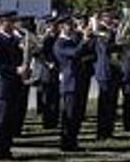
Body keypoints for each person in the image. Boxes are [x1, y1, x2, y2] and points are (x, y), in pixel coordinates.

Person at [0, 12, 24, 159]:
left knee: (10, 119)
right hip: (3, 84)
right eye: (10, 21)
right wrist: (15, 69)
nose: (13, 24)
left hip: (14, 83)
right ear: (2, 23)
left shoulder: (14, 39)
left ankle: (6, 148)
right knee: (2, 119)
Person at [53, 16, 90, 151]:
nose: (72, 27)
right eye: (69, 25)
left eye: (72, 24)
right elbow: (74, 53)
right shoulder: (59, 43)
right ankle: (66, 143)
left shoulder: (73, 39)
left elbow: (85, 50)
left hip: (78, 81)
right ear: (62, 27)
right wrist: (84, 39)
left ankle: (73, 141)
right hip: (69, 82)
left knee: (77, 115)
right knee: (69, 115)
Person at [92, 13, 120, 140]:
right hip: (104, 70)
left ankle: (109, 131)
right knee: (104, 103)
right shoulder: (100, 31)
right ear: (103, 19)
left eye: (112, 17)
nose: (111, 19)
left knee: (112, 103)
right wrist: (118, 40)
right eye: (108, 17)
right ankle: (102, 133)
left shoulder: (112, 31)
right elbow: (105, 48)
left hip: (114, 70)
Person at [36, 19, 60, 130]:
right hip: (47, 71)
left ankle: (54, 121)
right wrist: (48, 63)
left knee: (56, 97)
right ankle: (47, 121)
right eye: (51, 26)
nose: (54, 28)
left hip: (58, 70)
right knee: (47, 97)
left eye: (55, 26)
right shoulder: (46, 39)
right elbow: (39, 55)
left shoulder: (59, 38)